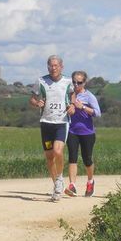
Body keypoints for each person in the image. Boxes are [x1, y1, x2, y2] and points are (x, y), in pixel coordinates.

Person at [29, 55, 75, 201]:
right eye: (50, 65)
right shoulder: (41, 81)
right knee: (49, 157)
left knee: (58, 151)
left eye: (56, 65)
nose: (53, 68)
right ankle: (56, 186)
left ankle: (60, 178)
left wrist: (72, 106)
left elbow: (72, 96)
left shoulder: (68, 81)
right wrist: (37, 103)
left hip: (61, 122)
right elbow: (32, 98)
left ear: (61, 66)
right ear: (47, 66)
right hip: (46, 123)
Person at [64, 70, 101, 198]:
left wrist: (82, 107)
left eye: (79, 82)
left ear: (84, 83)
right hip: (72, 130)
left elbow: (97, 113)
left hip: (87, 132)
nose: (76, 85)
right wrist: (69, 109)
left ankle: (90, 181)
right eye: (74, 82)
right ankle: (72, 186)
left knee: (87, 159)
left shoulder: (89, 96)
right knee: (72, 157)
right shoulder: (69, 95)